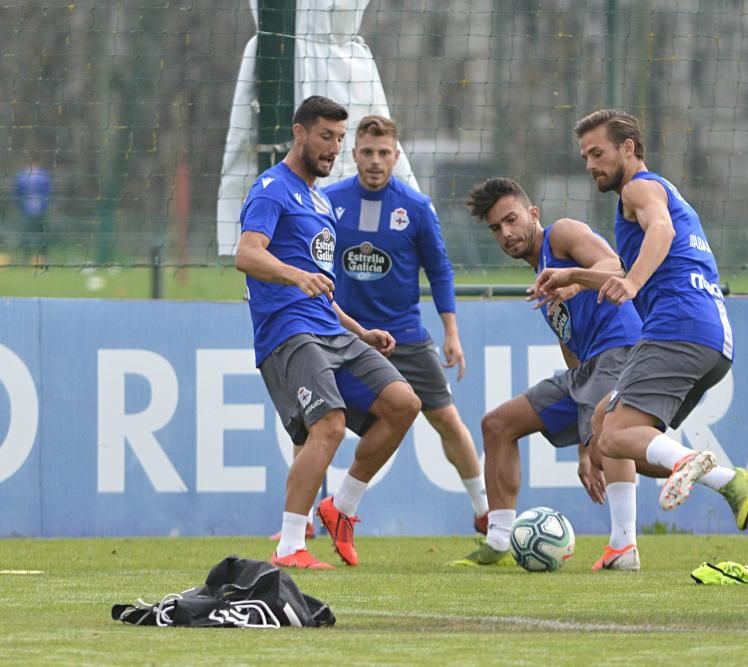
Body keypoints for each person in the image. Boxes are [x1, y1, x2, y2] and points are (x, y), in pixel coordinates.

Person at [535, 109, 748, 530]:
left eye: (597, 153)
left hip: (676, 329)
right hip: (711, 338)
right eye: (585, 156)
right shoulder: (660, 191)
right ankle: (630, 544)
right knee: (605, 428)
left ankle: (702, 467)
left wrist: (635, 283)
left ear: (628, 148)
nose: (590, 165)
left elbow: (662, 232)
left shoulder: (638, 189)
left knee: (617, 435)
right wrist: (575, 277)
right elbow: (640, 259)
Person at [236, 95, 421, 569]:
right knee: (330, 426)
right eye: (326, 137)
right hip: (289, 332)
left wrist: (361, 331)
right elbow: (247, 254)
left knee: (404, 404)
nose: (333, 148)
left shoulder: (318, 199)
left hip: (330, 329)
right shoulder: (270, 189)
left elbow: (322, 291)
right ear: (299, 133)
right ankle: (290, 546)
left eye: (339, 139)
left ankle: (341, 508)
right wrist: (296, 276)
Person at [449, 176, 670, 571]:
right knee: (498, 424)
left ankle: (626, 546)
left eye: (512, 220)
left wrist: (573, 282)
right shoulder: (540, 275)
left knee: (613, 445)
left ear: (533, 214)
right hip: (587, 368)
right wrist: (583, 450)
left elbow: (613, 265)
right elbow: (572, 351)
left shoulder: (562, 235)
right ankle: (499, 539)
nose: (506, 233)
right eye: (496, 229)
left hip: (618, 349)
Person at [321, 116, 489, 533]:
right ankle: (305, 520)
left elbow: (440, 270)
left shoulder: (415, 206)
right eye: (367, 152)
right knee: (316, 421)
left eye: (384, 153)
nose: (375, 161)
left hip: (405, 337)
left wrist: (451, 331)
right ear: (354, 154)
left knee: (447, 420)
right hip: (345, 336)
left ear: (396, 156)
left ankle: (485, 510)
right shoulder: (328, 201)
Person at [14, 159, 52, 266]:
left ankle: (29, 259)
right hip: (34, 212)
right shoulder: (43, 176)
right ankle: (39, 258)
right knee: (36, 235)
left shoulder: (22, 177)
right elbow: (49, 193)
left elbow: (17, 193)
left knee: (30, 235)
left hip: (32, 212)